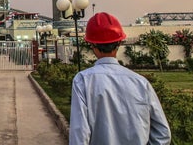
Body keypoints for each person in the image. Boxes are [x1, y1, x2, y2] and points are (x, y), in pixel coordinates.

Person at [68, 12, 171, 145]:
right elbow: (163, 133)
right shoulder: (140, 82)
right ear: (119, 43)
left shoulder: (83, 80)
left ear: (92, 44)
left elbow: (79, 134)